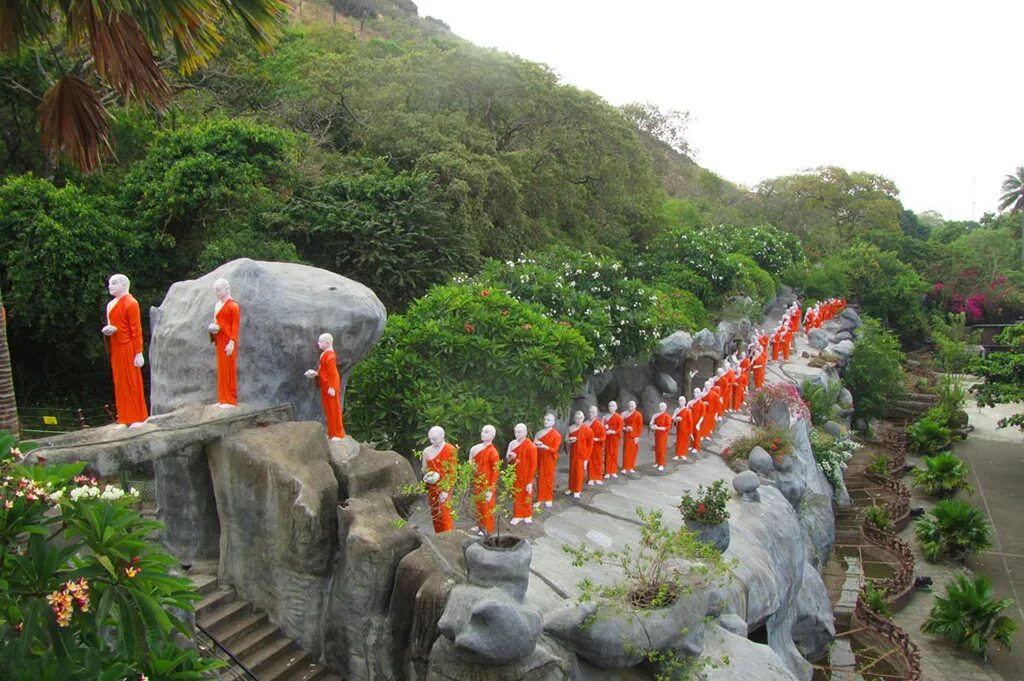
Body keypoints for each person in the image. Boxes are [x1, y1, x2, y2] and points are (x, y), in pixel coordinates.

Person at [102, 274, 148, 427]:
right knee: (119, 382)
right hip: (116, 346)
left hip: (128, 346)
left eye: (114, 283)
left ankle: (137, 416)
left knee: (132, 381)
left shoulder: (131, 303)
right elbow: (111, 324)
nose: (111, 286)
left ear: (124, 284)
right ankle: (123, 417)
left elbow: (136, 329)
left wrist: (138, 352)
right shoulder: (110, 305)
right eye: (110, 283)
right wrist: (108, 331)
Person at [304, 333, 345, 440]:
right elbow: (324, 371)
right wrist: (315, 373)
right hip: (325, 386)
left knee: (334, 410)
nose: (318, 343)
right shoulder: (324, 354)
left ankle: (338, 434)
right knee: (328, 410)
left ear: (327, 343)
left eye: (320, 341)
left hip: (331, 387)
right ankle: (332, 433)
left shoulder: (330, 356)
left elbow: (333, 373)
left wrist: (332, 387)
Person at [207, 278, 240, 407]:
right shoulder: (217, 305)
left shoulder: (233, 306)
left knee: (229, 368)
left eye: (218, 290)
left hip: (228, 339)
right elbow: (216, 322)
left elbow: (235, 326)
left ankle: (230, 399)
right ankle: (222, 398)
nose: (216, 293)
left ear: (227, 288)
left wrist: (232, 342)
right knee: (221, 368)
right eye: (215, 291)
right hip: (219, 339)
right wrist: (213, 329)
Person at [421, 426, 456, 533]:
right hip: (432, 486)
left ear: (442, 437)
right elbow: (424, 469)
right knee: (435, 513)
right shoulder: (426, 451)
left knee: (445, 513)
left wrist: (446, 490)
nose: (432, 441)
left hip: (445, 485)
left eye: (434, 439)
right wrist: (427, 476)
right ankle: (438, 536)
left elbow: (452, 472)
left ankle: (448, 537)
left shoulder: (450, 449)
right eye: (430, 439)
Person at [470, 425, 500, 535]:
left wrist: (491, 489)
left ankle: (487, 527)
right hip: (477, 480)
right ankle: (479, 525)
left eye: (486, 432)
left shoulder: (493, 452)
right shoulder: (476, 448)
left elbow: (495, 471)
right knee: (478, 503)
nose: (483, 433)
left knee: (487, 505)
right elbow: (472, 464)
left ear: (493, 435)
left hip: (487, 483)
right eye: (482, 431)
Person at [507, 423, 537, 525]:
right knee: (517, 495)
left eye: (519, 432)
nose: (517, 434)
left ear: (525, 432)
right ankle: (517, 515)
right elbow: (507, 458)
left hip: (526, 474)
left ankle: (527, 514)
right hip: (515, 473)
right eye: (515, 432)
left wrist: (530, 481)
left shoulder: (531, 446)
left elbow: (533, 465)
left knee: (526, 494)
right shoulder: (512, 443)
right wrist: (511, 457)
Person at [533, 413, 562, 507]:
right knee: (540, 478)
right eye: (545, 419)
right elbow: (533, 446)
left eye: (548, 420)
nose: (546, 421)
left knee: (548, 478)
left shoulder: (556, 435)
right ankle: (540, 498)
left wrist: (544, 446)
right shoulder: (538, 433)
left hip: (549, 459)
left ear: (553, 422)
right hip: (539, 458)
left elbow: (555, 449)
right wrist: (536, 444)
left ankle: (548, 498)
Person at [566, 411, 591, 497]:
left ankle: (577, 490)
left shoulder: (587, 429)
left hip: (582, 454)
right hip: (573, 453)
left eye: (580, 418)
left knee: (579, 472)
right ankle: (571, 488)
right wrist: (569, 441)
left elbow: (590, 444)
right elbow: (566, 440)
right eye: (577, 418)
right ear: (574, 419)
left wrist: (587, 459)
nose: (579, 420)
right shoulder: (570, 428)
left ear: (583, 418)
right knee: (572, 471)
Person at [621, 400, 643, 473]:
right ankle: (625, 467)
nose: (631, 407)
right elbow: (621, 424)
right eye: (630, 406)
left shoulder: (638, 415)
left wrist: (637, 436)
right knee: (626, 450)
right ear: (628, 406)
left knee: (633, 451)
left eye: (633, 406)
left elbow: (640, 426)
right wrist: (624, 428)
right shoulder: (624, 414)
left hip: (634, 435)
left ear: (635, 406)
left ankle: (631, 467)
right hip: (627, 434)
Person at [603, 401, 623, 479]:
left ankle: (613, 471)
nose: (611, 407)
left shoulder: (619, 417)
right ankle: (607, 471)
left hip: (614, 438)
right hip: (607, 438)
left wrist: (613, 431)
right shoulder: (605, 417)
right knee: (607, 454)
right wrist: (605, 432)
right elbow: (602, 427)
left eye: (613, 406)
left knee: (614, 454)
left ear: (616, 407)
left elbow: (620, 428)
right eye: (610, 406)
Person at [587, 405, 606, 485]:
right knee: (590, 462)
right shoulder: (585, 424)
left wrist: (596, 439)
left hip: (597, 446)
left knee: (597, 461)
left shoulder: (599, 425)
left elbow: (603, 437)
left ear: (596, 414)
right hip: (588, 446)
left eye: (593, 412)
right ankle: (591, 477)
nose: (591, 414)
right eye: (590, 412)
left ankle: (598, 477)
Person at [650, 402, 671, 471]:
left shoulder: (667, 416)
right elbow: (652, 423)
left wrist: (658, 428)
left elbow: (668, 426)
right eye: (660, 406)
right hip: (657, 434)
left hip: (663, 435)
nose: (660, 408)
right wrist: (653, 426)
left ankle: (661, 463)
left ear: (665, 407)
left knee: (662, 449)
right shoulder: (656, 415)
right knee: (657, 448)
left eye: (662, 406)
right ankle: (657, 462)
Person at [672, 395, 693, 460]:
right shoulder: (677, 410)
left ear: (685, 402)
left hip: (686, 429)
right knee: (678, 441)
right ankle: (678, 454)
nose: (680, 402)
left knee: (685, 442)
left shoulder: (687, 411)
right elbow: (672, 418)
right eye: (679, 400)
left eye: (682, 400)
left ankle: (683, 454)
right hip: (679, 429)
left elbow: (690, 422)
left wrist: (691, 432)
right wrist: (676, 419)